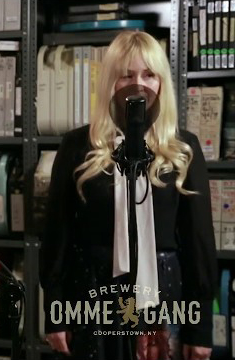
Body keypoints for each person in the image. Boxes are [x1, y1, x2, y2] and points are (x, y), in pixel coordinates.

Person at [39, 31, 217, 360]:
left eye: (149, 75)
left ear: (162, 82)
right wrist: (55, 311)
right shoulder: (77, 146)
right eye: (127, 75)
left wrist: (201, 326)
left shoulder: (184, 148)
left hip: (164, 290)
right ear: (111, 82)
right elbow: (57, 234)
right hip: (93, 289)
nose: (140, 85)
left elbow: (198, 241)